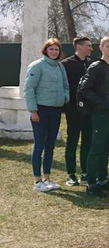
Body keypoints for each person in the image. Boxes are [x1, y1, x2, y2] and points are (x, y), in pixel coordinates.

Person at [78, 37, 109, 197]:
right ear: (101, 47)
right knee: (96, 148)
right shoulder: (96, 67)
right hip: (100, 114)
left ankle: (103, 180)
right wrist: (101, 104)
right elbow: (84, 89)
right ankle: (91, 184)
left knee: (106, 149)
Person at [24, 38, 70, 192]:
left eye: (57, 49)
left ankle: (47, 178)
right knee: (39, 145)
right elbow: (29, 89)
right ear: (45, 50)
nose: (54, 52)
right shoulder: (37, 66)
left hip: (55, 111)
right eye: (51, 49)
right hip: (40, 110)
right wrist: (33, 111)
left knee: (50, 144)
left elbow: (65, 85)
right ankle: (37, 181)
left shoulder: (59, 67)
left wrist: (65, 97)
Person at [61, 36, 92, 186]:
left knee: (87, 141)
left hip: (89, 110)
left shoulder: (92, 63)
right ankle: (71, 174)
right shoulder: (66, 64)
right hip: (73, 110)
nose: (91, 49)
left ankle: (85, 172)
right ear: (79, 47)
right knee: (72, 140)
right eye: (88, 46)